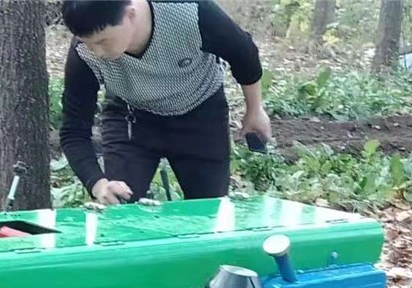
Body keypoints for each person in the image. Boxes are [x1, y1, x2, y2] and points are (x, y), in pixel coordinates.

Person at [59, 0, 272, 206]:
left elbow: (244, 53)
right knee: (120, 208)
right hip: (132, 119)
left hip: (200, 114)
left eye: (103, 41)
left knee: (208, 211)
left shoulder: (188, 12)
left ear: (130, 15)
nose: (97, 52)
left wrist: (254, 109)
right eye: (88, 43)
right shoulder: (84, 53)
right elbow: (73, 131)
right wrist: (99, 185)